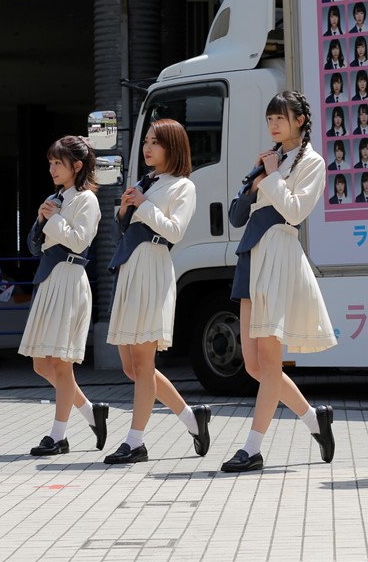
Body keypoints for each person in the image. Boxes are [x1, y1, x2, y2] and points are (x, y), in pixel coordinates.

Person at [223, 91, 338, 473]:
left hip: (277, 253)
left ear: (300, 121)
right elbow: (237, 214)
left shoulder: (313, 162)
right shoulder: (269, 159)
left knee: (269, 362)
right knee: (255, 365)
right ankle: (314, 420)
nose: (273, 124)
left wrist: (271, 176)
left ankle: (252, 448)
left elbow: (295, 210)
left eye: (280, 118)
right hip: (251, 254)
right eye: (270, 118)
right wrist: (259, 179)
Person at [103, 119, 212, 464]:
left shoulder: (183, 187)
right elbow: (122, 230)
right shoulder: (145, 182)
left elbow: (175, 231)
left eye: (155, 142)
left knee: (143, 362)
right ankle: (191, 418)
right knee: (132, 367)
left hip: (153, 266)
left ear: (172, 147)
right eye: (146, 141)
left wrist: (144, 205)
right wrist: (125, 209)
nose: (147, 148)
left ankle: (135, 441)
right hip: (130, 268)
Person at [19, 136, 109, 456]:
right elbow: (34, 246)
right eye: (51, 163)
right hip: (49, 278)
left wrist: (52, 219)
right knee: (41, 364)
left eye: (58, 162)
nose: (52, 168)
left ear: (77, 166)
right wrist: (41, 219)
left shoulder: (87, 200)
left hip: (70, 278)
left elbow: (79, 240)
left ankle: (59, 435)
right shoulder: (54, 198)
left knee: (60, 363)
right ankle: (91, 412)